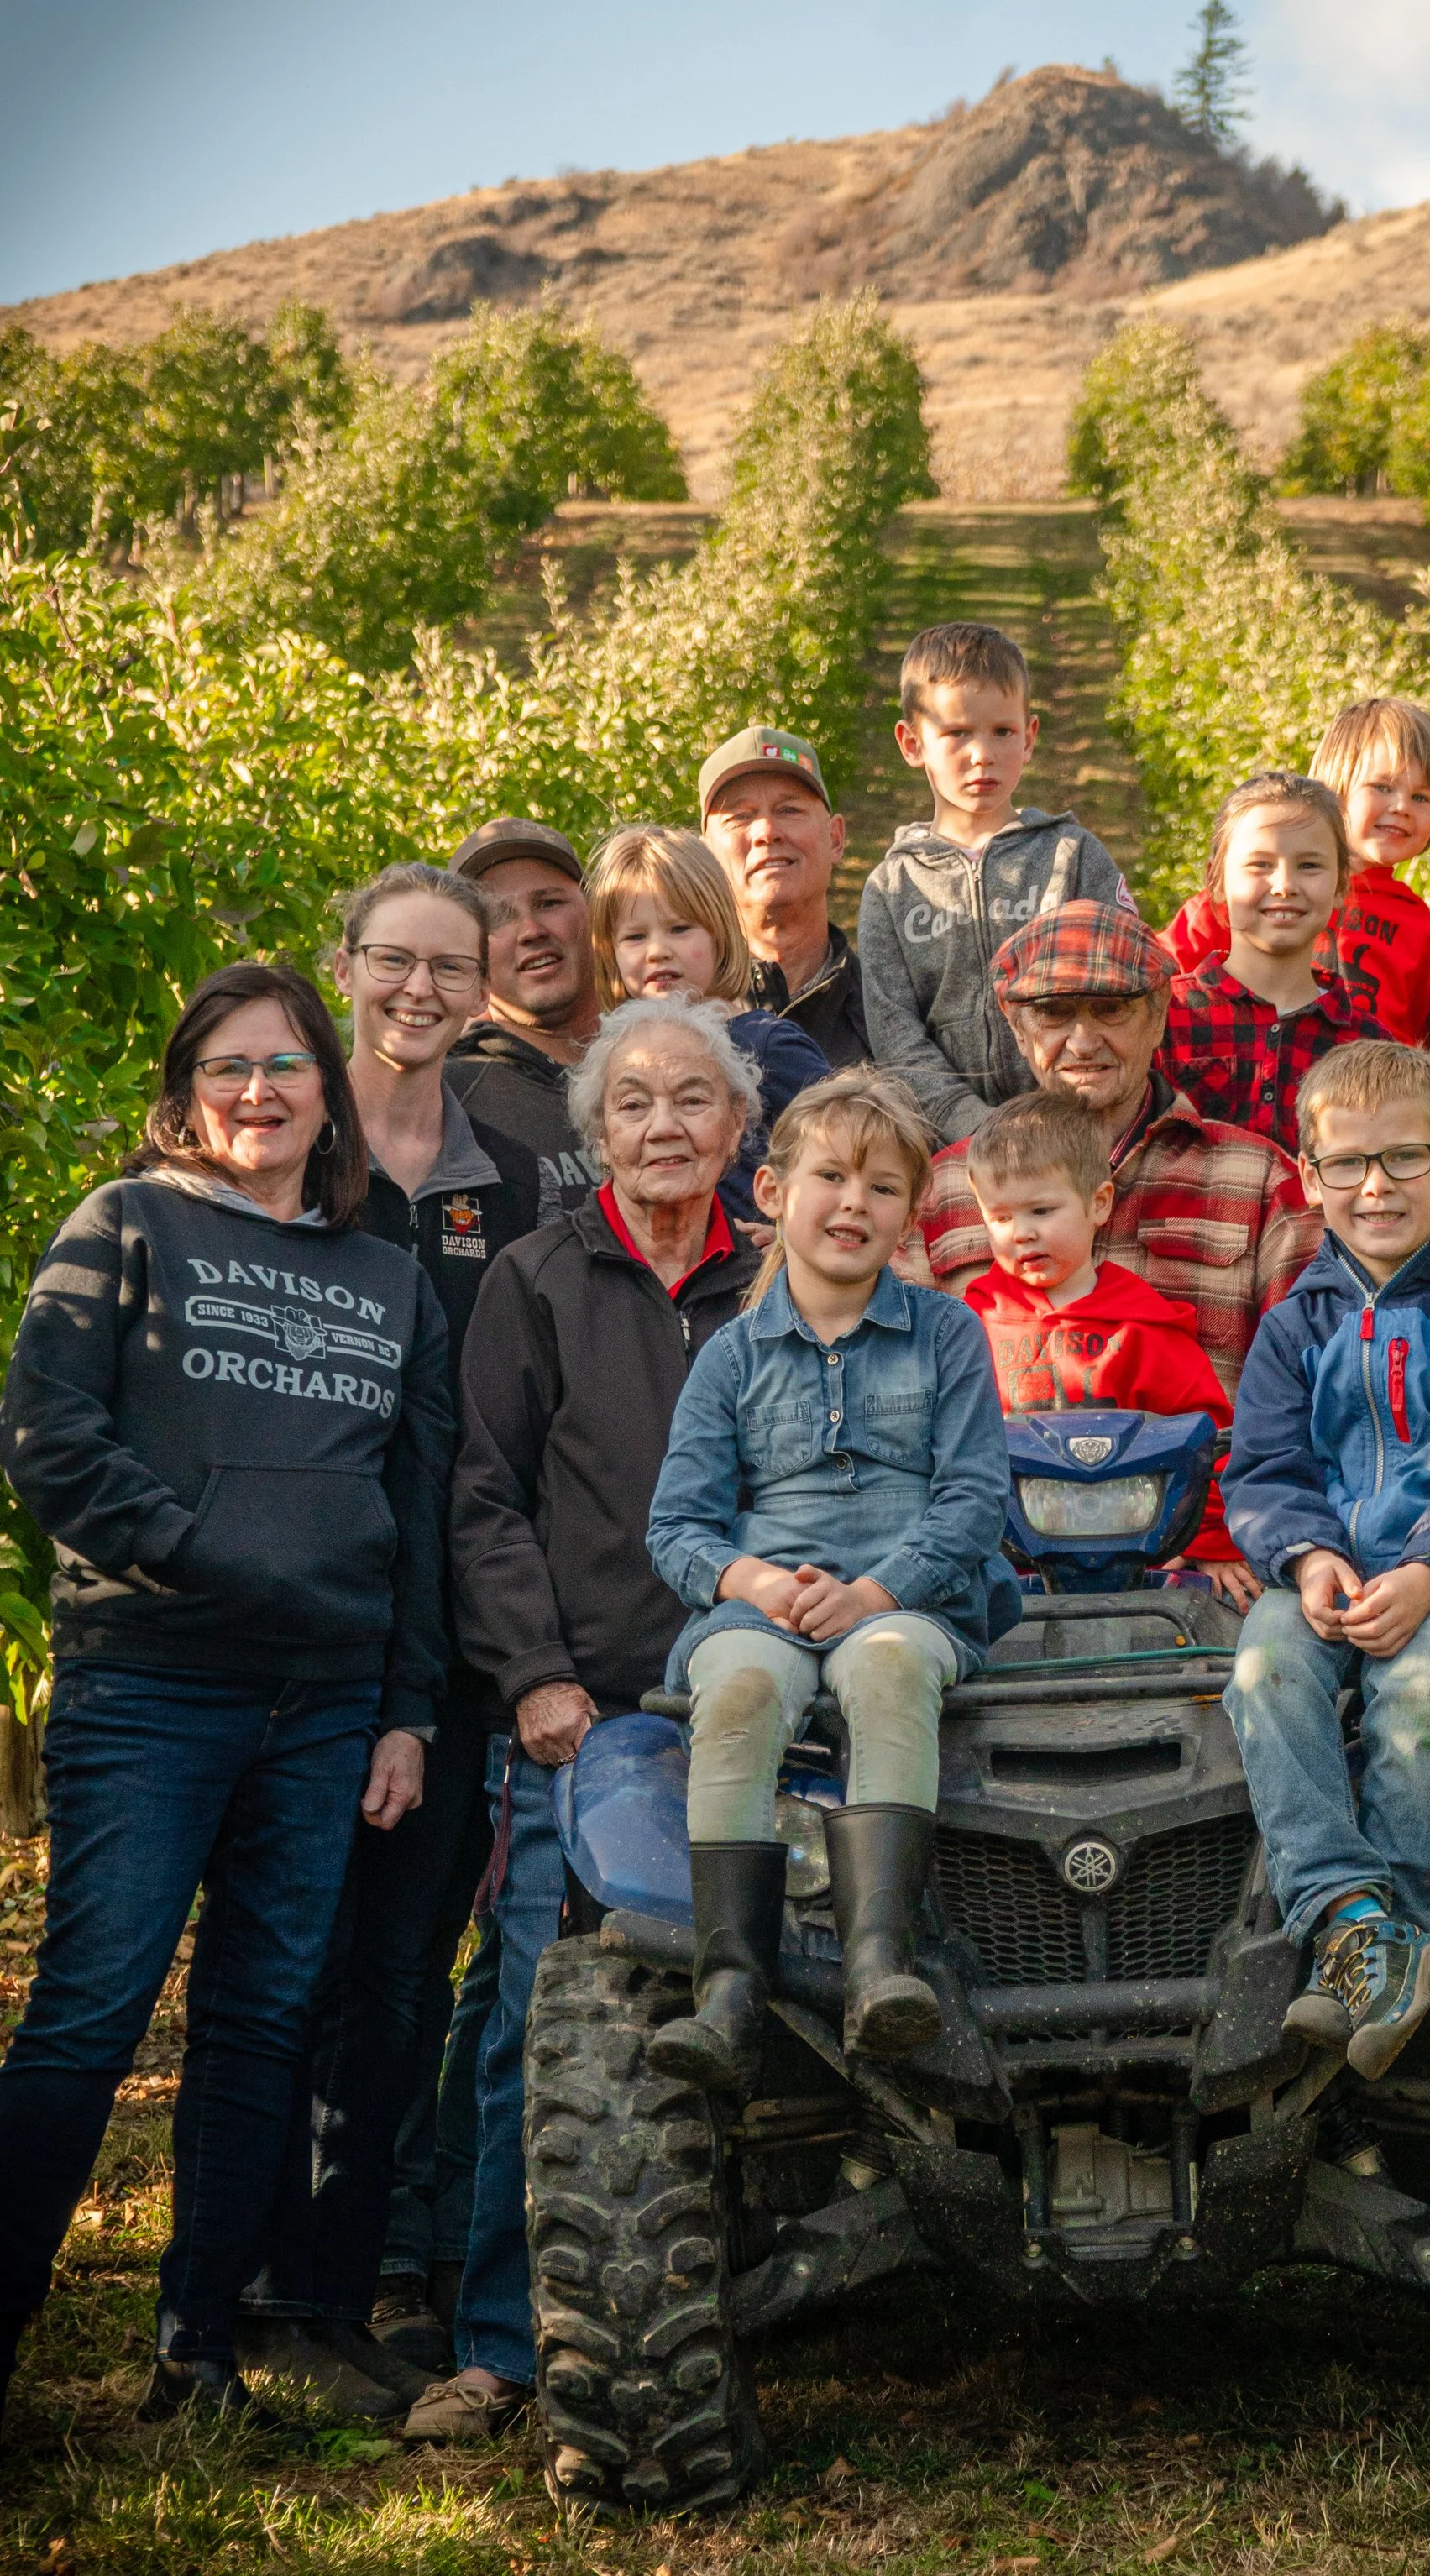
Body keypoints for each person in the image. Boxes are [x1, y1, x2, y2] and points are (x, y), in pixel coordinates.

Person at [0, 964, 451, 2429]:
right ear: (188, 1090)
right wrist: (211, 1553)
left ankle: (195, 2352)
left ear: (329, 1089)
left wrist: (405, 1705)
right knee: (88, 2010)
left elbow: (419, 1500)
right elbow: (47, 1436)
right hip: (153, 1683)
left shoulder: (387, 1275)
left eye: (284, 1066)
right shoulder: (123, 1225)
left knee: (259, 2021)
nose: (256, 1092)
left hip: (324, 1706)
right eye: (225, 1066)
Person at [411, 996, 763, 2445]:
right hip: (592, 1713)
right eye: (636, 1103)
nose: (667, 1124)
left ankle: (729, 2299)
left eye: (695, 1099)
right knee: (534, 2021)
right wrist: (535, 1674)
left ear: (739, 1126)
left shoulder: (787, 1278)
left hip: (770, 1711)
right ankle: (503, 2340)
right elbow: (484, 1498)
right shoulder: (538, 1279)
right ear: (597, 1131)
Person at [236, 866, 541, 2418]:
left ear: (486, 987)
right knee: (285, 1954)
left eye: (451, 967)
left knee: (408, 1965)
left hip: (455, 1630)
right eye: (392, 961)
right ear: (344, 966)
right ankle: (243, 2276)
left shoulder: (514, 1173)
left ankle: (347, 2283)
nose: (419, 991)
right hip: (304, 1613)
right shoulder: (296, 1155)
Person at [647, 1071, 1017, 2088]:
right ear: (771, 1191)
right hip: (766, 1604)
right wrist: (755, 1583)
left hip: (911, 1601)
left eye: (885, 1186)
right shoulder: (729, 1355)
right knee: (739, 1688)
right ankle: (729, 1987)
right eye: (832, 1176)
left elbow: (975, 1498)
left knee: (888, 1668)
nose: (855, 1202)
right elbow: (676, 1524)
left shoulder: (946, 1334)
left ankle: (878, 1964)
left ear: (911, 1212)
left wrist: (877, 1592)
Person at [1222, 1040, 1430, 2079]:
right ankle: (1349, 1917)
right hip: (1335, 1568)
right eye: (1347, 1163)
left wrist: (1426, 1570)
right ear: (1307, 1175)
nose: (1376, 1186)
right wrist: (1308, 1554)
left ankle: (1394, 1933)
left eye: (1405, 1158)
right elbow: (1264, 1465)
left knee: (1419, 1693)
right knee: (1262, 1669)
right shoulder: (1294, 1325)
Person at [898, 901, 1320, 1403]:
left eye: (1110, 1009)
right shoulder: (942, 1190)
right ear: (1017, 1026)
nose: (1081, 1042)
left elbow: (1305, 1385)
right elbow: (899, 1383)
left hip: (1203, 1478)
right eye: (1054, 1012)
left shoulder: (1258, 1181)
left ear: (1158, 1012)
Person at [961, 1090, 1251, 1607]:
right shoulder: (972, 1325)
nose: (1021, 1234)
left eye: (1041, 1210)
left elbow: (1212, 1439)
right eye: (1000, 1218)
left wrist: (1209, 1541)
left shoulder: (1141, 1327)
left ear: (1099, 1203)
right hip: (1006, 1561)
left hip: (1132, 1558)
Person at [857, 620, 1133, 1143]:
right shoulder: (892, 889)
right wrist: (971, 1124)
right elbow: (897, 1038)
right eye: (957, 733)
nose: (981, 754)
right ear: (912, 744)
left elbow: (1121, 991)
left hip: (1074, 1136)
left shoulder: (1071, 857)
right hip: (948, 1149)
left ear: (1029, 738)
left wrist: (1066, 1114)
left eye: (1002, 732)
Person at [1164, 697, 1430, 1044]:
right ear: (1334, 790)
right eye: (1382, 787)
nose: (1401, 807)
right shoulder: (1246, 897)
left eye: (1421, 797)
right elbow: (1154, 973)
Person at [584, 820, 830, 1223]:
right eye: (634, 937)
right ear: (610, 953)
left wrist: (791, 1240)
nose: (657, 951)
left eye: (680, 929)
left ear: (720, 934)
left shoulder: (768, 1045)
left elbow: (852, 1147)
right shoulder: (611, 1061)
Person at [1158, 772, 1387, 1155]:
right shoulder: (1164, 1019)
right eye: (1260, 864)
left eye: (1310, 866)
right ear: (1216, 880)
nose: (1284, 885)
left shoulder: (1368, 1046)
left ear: (1342, 885)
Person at [443, 816, 600, 1224]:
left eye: (549, 903)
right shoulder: (445, 1103)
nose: (530, 930)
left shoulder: (673, 1063)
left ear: (596, 913)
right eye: (498, 917)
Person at [698, 724, 870, 1068]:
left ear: (835, 839)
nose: (766, 832)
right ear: (705, 858)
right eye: (740, 817)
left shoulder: (887, 1008)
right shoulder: (682, 1016)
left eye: (789, 810)